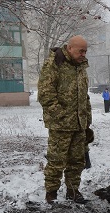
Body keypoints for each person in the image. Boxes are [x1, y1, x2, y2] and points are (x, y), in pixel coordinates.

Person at [38, 35, 91, 204]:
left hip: (79, 124)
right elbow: (45, 95)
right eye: (80, 51)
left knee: (77, 161)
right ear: (69, 48)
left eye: (85, 51)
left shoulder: (81, 67)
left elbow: (84, 96)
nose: (83, 54)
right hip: (60, 125)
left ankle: (73, 191)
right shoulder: (54, 64)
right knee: (56, 161)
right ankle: (51, 194)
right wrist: (60, 116)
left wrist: (87, 120)